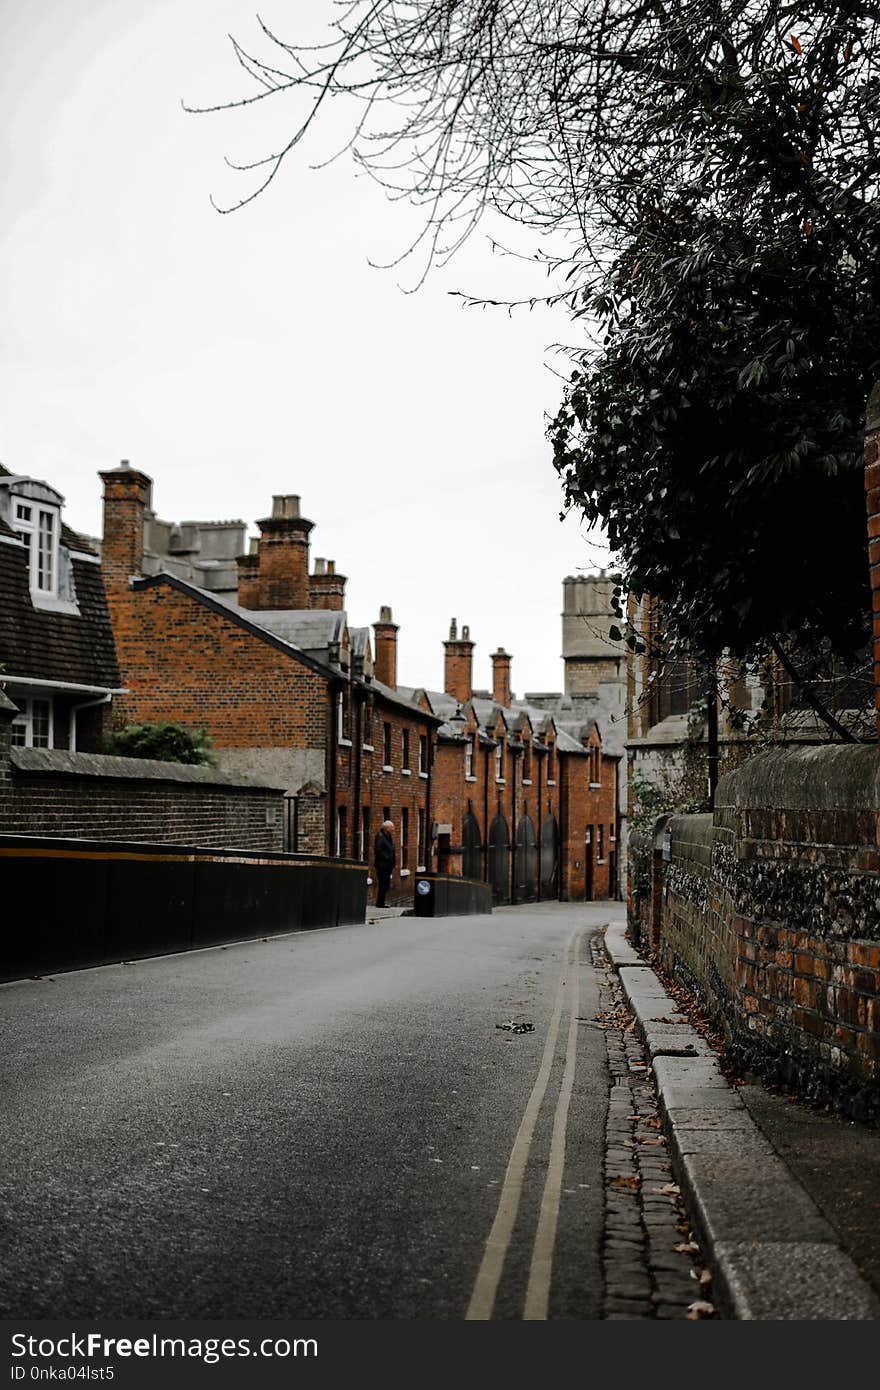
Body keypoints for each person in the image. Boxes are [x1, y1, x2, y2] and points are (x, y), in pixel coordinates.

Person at [374, 819, 395, 907]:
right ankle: (380, 903)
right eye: (392, 827)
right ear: (387, 828)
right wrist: (387, 858)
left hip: (388, 865)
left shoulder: (388, 836)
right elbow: (378, 850)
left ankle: (381, 902)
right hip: (382, 865)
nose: (393, 829)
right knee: (383, 883)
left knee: (385, 883)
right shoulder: (380, 836)